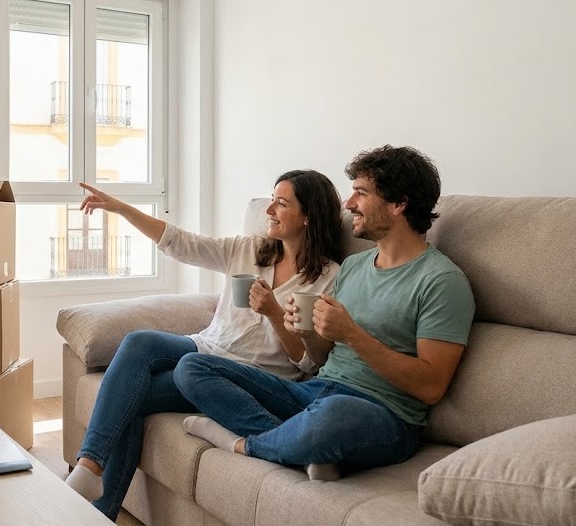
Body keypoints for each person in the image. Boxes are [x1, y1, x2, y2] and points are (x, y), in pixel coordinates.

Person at [174, 145, 475, 481]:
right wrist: (308, 334)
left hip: (383, 414)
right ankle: (301, 446)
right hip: (316, 392)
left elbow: (431, 386)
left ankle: (246, 444)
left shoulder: (442, 281)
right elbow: (319, 360)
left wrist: (351, 334)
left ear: (398, 203)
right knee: (192, 367)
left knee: (333, 414)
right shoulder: (354, 266)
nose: (348, 205)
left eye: (360, 193)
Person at [64, 170, 344, 519]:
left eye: (281, 203)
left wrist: (273, 312)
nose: (269, 209)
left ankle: (98, 510)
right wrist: (121, 209)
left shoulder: (328, 277)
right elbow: (183, 243)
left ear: (307, 216)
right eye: (271, 200)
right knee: (139, 343)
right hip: (205, 346)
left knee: (129, 399)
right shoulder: (249, 249)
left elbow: (306, 362)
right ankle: (90, 466)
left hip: (249, 374)